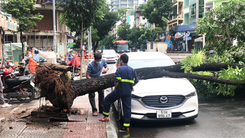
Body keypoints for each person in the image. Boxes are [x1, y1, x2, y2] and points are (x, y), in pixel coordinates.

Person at [99, 54, 139, 133]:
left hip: (120, 90)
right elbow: (136, 81)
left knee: (107, 99)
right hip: (128, 91)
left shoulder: (119, 69)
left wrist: (115, 88)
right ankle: (126, 126)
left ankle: (106, 117)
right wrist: (130, 86)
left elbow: (116, 81)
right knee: (127, 108)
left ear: (121, 61)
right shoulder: (132, 70)